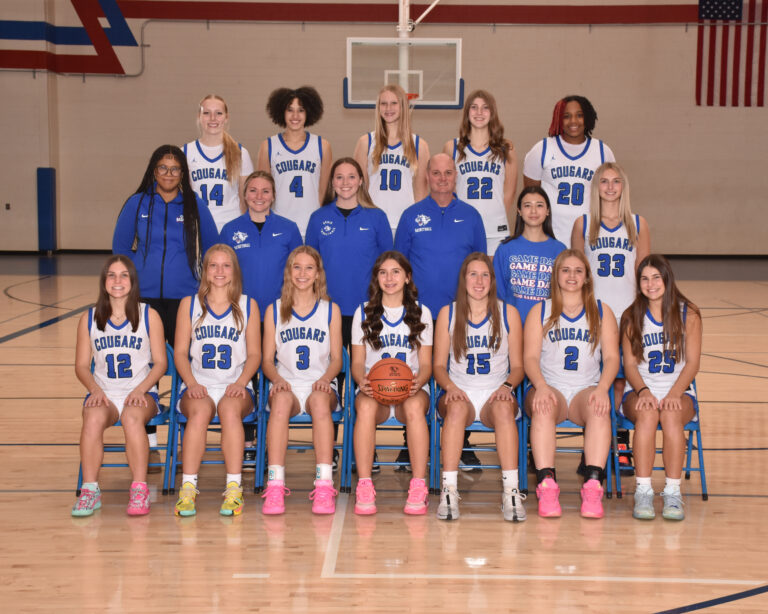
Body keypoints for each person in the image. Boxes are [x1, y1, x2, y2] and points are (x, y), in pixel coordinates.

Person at [113, 145, 219, 462]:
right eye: (163, 168)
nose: (169, 174)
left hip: (183, 299)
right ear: (153, 170)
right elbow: (120, 249)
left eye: (175, 169)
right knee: (147, 369)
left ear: (183, 174)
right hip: (144, 300)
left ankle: (188, 444)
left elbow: (214, 247)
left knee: (187, 365)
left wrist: (203, 279)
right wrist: (136, 277)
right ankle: (152, 447)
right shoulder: (138, 202)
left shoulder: (194, 204)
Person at [394, 152, 487, 468]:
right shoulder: (411, 215)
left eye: (448, 173)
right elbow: (400, 265)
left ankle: (461, 444)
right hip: (418, 314)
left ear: (455, 177)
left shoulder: (472, 216)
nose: (442, 178)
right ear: (427, 177)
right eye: (436, 173)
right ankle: (411, 445)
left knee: (457, 375)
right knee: (417, 376)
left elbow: (479, 264)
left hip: (461, 313)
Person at [523, 249, 619, 519]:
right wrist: (540, 386)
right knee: (542, 407)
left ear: (587, 277)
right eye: (565, 270)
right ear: (556, 275)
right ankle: (547, 484)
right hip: (549, 385)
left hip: (584, 389)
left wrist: (601, 389)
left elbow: (612, 358)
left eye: (578, 270)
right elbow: (529, 357)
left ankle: (592, 484)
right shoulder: (540, 310)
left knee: (599, 409)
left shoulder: (601, 311)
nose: (572, 276)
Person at [72, 256, 167, 517]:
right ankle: (90, 490)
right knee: (91, 418)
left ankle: (139, 488)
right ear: (104, 282)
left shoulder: (149, 315)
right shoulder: (89, 318)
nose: (117, 280)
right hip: (104, 391)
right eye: (111, 275)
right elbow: (81, 365)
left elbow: (160, 363)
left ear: (133, 281)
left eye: (124, 275)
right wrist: (94, 389)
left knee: (132, 416)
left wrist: (140, 390)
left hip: (141, 391)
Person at [433, 253, 525, 522]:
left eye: (485, 274)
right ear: (463, 280)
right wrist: (450, 387)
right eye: (473, 274)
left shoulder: (508, 313)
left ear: (492, 281)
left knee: (504, 409)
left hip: (495, 391)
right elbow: (438, 365)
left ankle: (510, 491)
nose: (479, 280)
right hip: (458, 388)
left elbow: (518, 366)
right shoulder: (448, 313)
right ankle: (448, 489)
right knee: (457, 409)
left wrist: (507, 386)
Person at [572, 162, 651, 472]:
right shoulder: (584, 223)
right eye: (604, 181)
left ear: (623, 186)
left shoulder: (638, 223)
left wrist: (642, 315)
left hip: (628, 313)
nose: (609, 187)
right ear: (596, 187)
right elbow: (576, 273)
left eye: (615, 181)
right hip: (594, 315)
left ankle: (619, 442)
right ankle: (590, 447)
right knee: (594, 378)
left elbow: (645, 273)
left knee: (620, 381)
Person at [173, 245, 261, 517]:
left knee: (229, 409)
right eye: (214, 265)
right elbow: (179, 352)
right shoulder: (189, 305)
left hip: (237, 383)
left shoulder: (248, 305)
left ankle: (234, 488)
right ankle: (188, 488)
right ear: (205, 271)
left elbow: (255, 354)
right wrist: (190, 383)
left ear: (234, 271)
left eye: (226, 265)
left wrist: (242, 381)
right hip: (198, 382)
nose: (220, 271)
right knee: (199, 411)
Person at [261, 246, 343, 515]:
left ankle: (323, 484)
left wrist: (326, 378)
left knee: (320, 402)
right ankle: (274, 484)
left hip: (320, 383)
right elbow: (266, 359)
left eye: (309, 268)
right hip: (288, 383)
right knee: (280, 402)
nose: (303, 273)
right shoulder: (274, 310)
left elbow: (337, 358)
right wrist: (276, 378)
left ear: (318, 274)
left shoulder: (330, 310)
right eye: (297, 267)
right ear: (289, 272)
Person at [350, 251, 433, 515]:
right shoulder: (362, 312)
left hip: (412, 388)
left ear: (407, 277)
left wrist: (419, 381)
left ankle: (418, 484)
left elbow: (427, 363)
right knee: (364, 408)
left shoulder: (422, 312)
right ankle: (364, 484)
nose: (389, 278)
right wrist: (361, 381)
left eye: (396, 272)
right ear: (376, 278)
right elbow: (356, 361)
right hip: (376, 389)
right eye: (383, 272)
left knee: (413, 409)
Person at [620, 255, 701, 521]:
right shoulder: (632, 316)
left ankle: (672, 491)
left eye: (656, 277)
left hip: (679, 391)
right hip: (640, 389)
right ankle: (643, 490)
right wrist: (644, 392)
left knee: (670, 415)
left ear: (667, 278)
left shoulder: (689, 313)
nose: (650, 284)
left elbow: (692, 363)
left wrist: (675, 393)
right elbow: (630, 366)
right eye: (645, 278)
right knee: (647, 414)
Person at [306, 157, 393, 349]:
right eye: (339, 177)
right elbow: (309, 266)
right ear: (332, 182)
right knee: (336, 370)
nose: (345, 183)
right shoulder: (318, 218)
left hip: (368, 307)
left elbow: (389, 266)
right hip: (327, 307)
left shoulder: (377, 217)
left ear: (361, 181)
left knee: (365, 370)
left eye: (351, 177)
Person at [522, 95, 616, 245]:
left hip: (589, 235)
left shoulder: (602, 151)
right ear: (558, 119)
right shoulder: (542, 149)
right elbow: (530, 194)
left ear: (588, 117)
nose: (573, 121)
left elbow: (611, 196)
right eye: (566, 116)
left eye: (579, 115)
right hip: (550, 235)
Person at [219, 171, 302, 319]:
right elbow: (220, 274)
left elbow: (299, 273)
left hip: (280, 312)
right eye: (253, 191)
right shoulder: (229, 230)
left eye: (265, 191)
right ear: (244, 195)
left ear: (273, 196)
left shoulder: (289, 229)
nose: (259, 197)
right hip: (241, 312)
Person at [444, 90, 518, 255]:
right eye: (474, 107)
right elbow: (449, 191)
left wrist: (493, 217)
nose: (479, 112)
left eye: (485, 108)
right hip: (461, 226)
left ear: (492, 113)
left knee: (492, 278)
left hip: (495, 228)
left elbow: (510, 192)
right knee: (462, 278)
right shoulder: (452, 147)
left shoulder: (506, 148)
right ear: (467, 112)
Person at [256, 86, 332, 238]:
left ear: (309, 112)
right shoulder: (268, 146)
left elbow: (324, 193)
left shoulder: (322, 146)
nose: (295, 115)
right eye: (290, 110)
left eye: (301, 110)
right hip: (278, 226)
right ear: (282, 112)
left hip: (312, 225)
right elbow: (262, 192)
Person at [354, 84, 430, 233]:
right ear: (378, 107)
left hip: (405, 223)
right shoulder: (366, 142)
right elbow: (360, 190)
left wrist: (417, 224)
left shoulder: (419, 145)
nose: (388, 108)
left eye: (394, 103)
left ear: (402, 106)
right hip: (374, 223)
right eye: (384, 103)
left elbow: (421, 193)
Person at [493, 186, 566, 325]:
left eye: (539, 205)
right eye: (527, 206)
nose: (533, 211)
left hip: (547, 327)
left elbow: (563, 296)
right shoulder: (505, 249)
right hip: (512, 327)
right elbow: (498, 296)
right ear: (519, 211)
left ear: (547, 211)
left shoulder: (559, 250)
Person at [183, 94, 255, 232]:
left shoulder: (240, 153)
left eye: (218, 113)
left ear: (226, 117)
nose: (212, 118)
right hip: (198, 228)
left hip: (231, 229)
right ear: (199, 116)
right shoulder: (185, 152)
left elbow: (245, 199)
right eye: (207, 113)